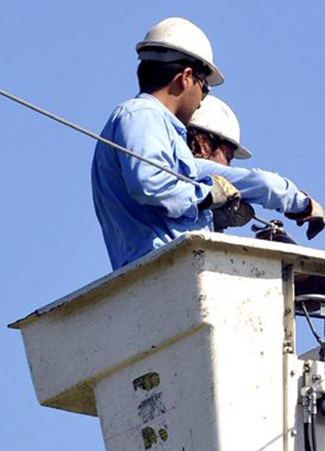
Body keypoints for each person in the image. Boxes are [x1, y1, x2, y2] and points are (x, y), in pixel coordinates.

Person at [91, 17, 247, 270]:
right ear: (186, 77)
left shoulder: (151, 123)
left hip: (165, 268)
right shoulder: (142, 116)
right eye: (204, 87)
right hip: (162, 269)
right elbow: (149, 184)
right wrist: (206, 196)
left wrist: (213, 215)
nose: (201, 99)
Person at [186, 96, 325, 240]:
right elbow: (266, 184)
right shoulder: (195, 169)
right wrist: (304, 206)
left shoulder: (179, 180)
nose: (228, 166)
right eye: (228, 157)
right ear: (204, 142)